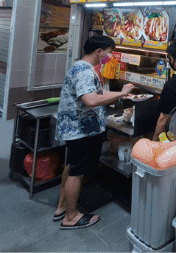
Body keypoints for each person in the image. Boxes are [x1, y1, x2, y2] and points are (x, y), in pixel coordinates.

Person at [54, 35, 134, 229]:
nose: (110, 56)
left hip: (77, 129)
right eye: (109, 52)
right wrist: (122, 93)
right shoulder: (83, 70)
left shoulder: (82, 67)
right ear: (99, 52)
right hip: (79, 130)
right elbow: (90, 100)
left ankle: (62, 207)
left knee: (73, 166)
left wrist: (121, 94)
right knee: (78, 171)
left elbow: (98, 93)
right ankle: (71, 217)